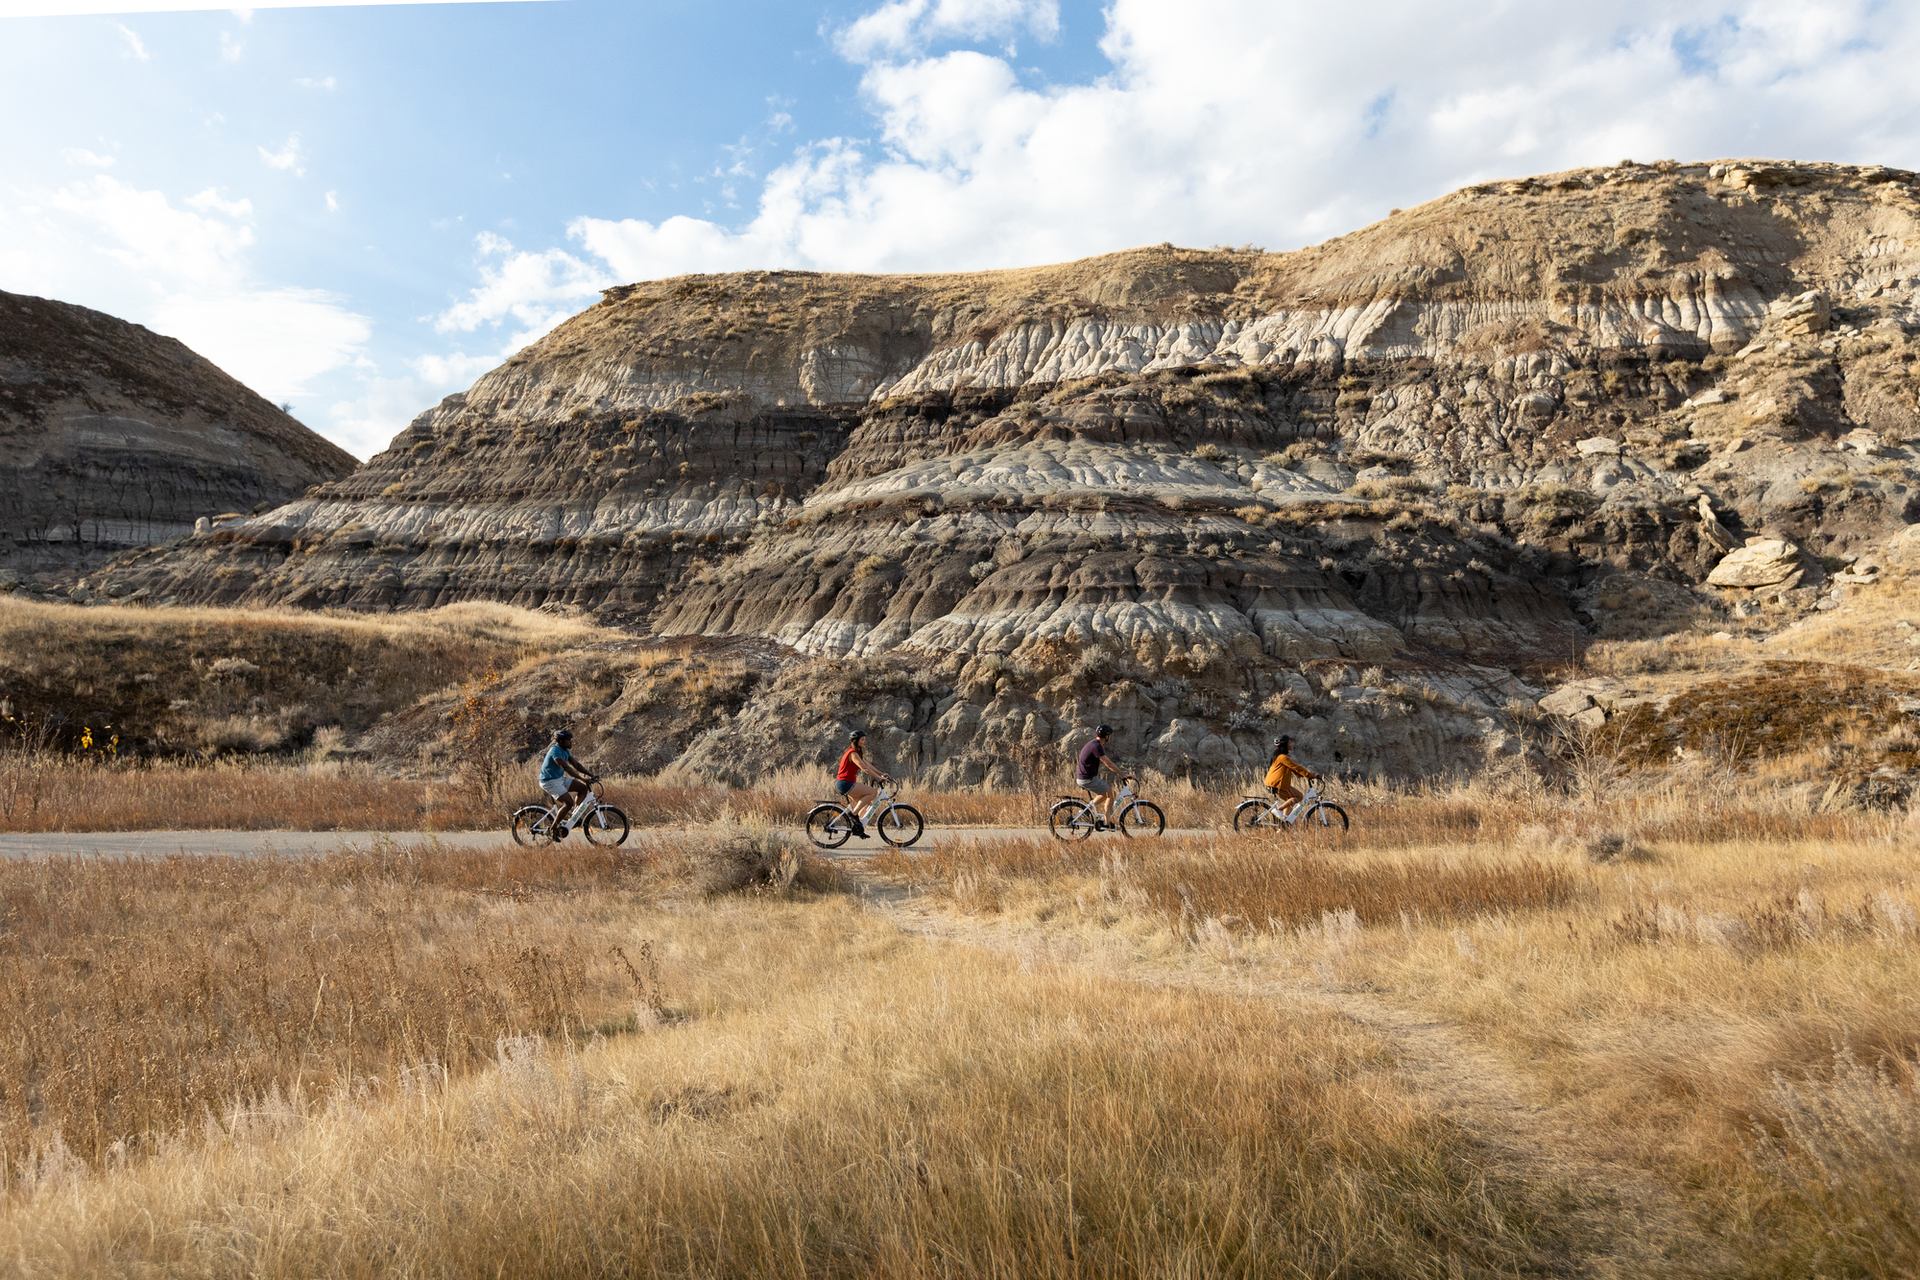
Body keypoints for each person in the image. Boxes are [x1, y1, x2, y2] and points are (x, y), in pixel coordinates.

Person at [834, 729, 894, 839]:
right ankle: (853, 814)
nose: (864, 741)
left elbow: (868, 765)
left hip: (846, 783)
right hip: (845, 783)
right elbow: (864, 768)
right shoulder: (852, 753)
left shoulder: (857, 753)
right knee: (873, 792)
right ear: (855, 741)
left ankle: (858, 826)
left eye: (864, 739)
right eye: (862, 739)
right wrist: (878, 778)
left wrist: (881, 774)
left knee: (866, 802)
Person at [537, 728, 598, 836]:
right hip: (549, 781)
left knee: (583, 788)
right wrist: (583, 779)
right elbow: (567, 768)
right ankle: (553, 828)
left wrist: (591, 775)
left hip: (558, 779)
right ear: (561, 741)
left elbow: (576, 765)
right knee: (568, 803)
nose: (571, 742)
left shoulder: (565, 751)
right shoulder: (555, 751)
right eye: (568, 740)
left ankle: (574, 816)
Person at [1074, 724, 1126, 829]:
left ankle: (1086, 810)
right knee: (1110, 794)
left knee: (1106, 793)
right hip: (1087, 779)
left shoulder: (1094, 744)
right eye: (1109, 735)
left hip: (1084, 777)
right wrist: (1122, 774)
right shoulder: (1096, 746)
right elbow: (1108, 763)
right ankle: (1107, 823)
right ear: (1106, 736)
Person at [1264, 734, 1322, 816]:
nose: (1291, 744)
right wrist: (1310, 775)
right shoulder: (1282, 757)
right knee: (1297, 797)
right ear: (1285, 744)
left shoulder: (1280, 757)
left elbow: (1294, 769)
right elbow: (1296, 767)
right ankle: (1277, 810)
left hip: (1279, 784)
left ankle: (1284, 822)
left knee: (1293, 799)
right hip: (1277, 784)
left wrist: (1304, 775)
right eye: (1290, 742)